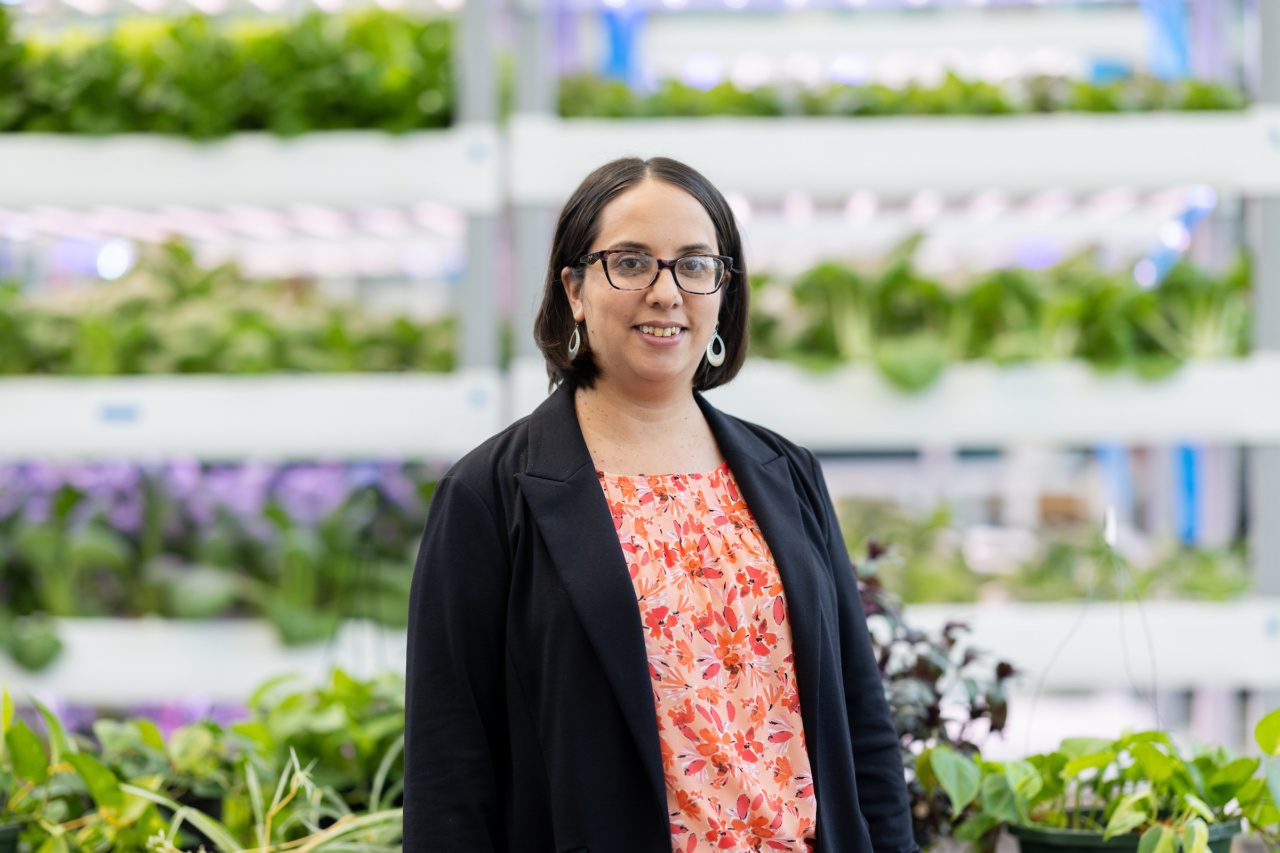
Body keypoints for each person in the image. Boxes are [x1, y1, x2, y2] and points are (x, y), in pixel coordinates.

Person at [403, 156, 919, 853]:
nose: (666, 291)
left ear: (723, 291)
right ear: (574, 288)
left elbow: (862, 723)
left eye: (694, 264)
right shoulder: (489, 495)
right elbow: (450, 766)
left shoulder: (785, 473)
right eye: (632, 262)